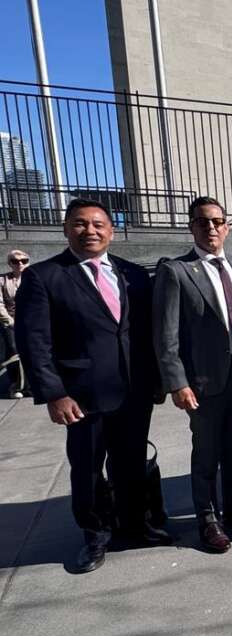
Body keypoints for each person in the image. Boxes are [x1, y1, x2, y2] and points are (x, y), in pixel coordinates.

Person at [15, 199, 168, 573]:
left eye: (99, 224)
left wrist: (158, 381)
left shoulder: (133, 274)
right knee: (87, 468)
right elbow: (34, 342)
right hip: (81, 396)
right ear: (66, 229)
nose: (90, 231)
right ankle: (95, 534)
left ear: (111, 231)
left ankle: (133, 524)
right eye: (80, 224)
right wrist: (53, 393)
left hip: (134, 392)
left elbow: (148, 333)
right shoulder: (44, 276)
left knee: (130, 464)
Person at [154, 196, 232, 554]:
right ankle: (207, 518)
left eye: (217, 221)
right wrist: (177, 382)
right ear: (192, 226)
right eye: (203, 221)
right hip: (204, 382)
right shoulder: (176, 271)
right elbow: (166, 334)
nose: (211, 228)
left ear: (227, 227)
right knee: (206, 453)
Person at [2, 250, 29, 398]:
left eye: (24, 260)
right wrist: (9, 321)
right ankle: (15, 386)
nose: (20, 263)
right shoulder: (2, 280)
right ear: (9, 263)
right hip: (10, 322)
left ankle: (31, 386)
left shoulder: (34, 278)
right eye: (15, 261)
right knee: (13, 351)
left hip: (31, 321)